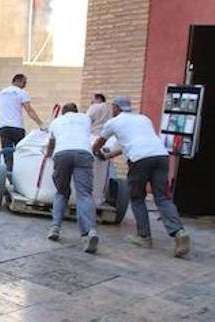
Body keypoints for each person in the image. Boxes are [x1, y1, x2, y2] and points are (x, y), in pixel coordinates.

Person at [93, 95, 191, 257]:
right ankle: (179, 232)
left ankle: (144, 237)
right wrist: (109, 156)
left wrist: (95, 152)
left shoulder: (113, 122)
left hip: (139, 160)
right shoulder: (144, 119)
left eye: (113, 107)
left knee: (137, 198)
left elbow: (100, 142)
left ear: (116, 108)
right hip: (161, 156)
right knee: (163, 198)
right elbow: (135, 143)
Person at [45, 103, 98, 253]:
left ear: (63, 112)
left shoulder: (56, 122)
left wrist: (48, 154)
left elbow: (51, 143)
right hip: (83, 153)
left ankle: (55, 228)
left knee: (61, 192)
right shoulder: (85, 118)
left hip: (61, 154)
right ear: (76, 111)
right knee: (84, 194)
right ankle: (90, 232)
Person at [0, 73, 45, 169]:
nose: (25, 85)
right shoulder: (22, 93)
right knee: (21, 153)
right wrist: (40, 124)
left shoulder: (1, 93)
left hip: (3, 128)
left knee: (7, 154)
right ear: (18, 81)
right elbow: (29, 110)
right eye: (24, 82)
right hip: (17, 128)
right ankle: (20, 173)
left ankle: (10, 176)